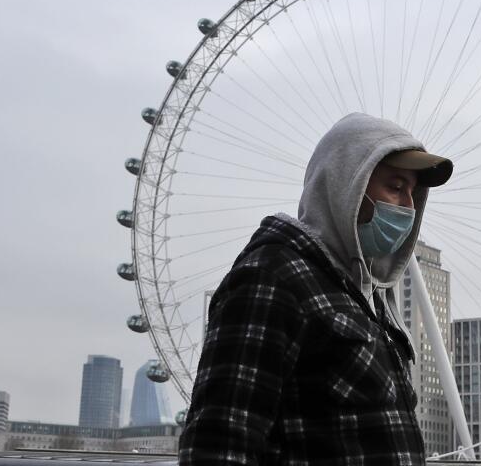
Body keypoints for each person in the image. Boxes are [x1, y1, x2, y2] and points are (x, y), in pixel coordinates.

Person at [178, 112, 454, 466]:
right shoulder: (273, 277)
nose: (408, 207)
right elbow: (219, 443)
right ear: (345, 184)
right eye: (396, 187)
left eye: (413, 194)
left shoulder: (363, 296)